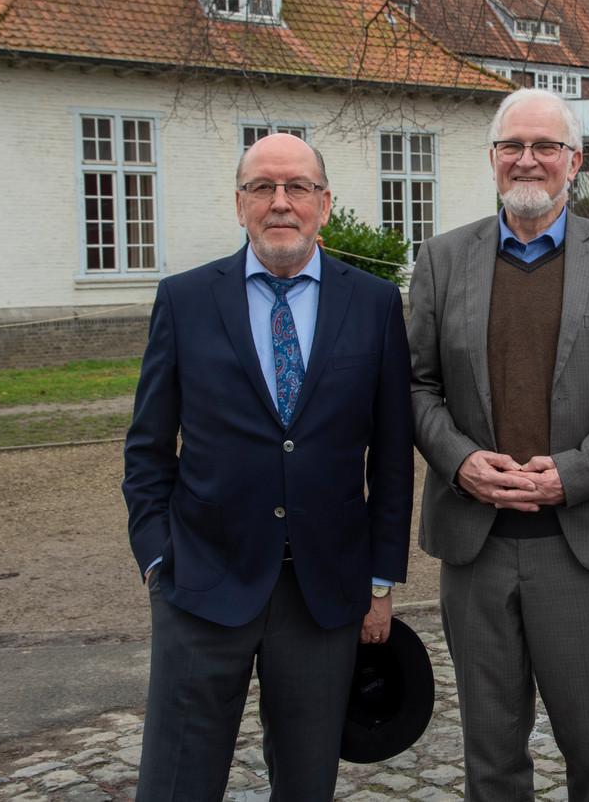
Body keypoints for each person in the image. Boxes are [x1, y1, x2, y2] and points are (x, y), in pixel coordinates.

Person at [122, 133, 414, 802]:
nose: (280, 203)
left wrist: (379, 579)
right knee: (176, 784)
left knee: (307, 784)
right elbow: (147, 450)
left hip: (325, 595)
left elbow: (393, 456)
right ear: (239, 204)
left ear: (325, 203)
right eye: (262, 188)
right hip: (201, 581)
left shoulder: (372, 305)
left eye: (297, 188)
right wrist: (156, 559)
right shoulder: (186, 300)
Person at [408, 88, 589, 801]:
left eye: (545, 147)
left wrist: (574, 473)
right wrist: (459, 460)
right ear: (493, 159)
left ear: (575, 161)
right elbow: (415, 387)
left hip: (583, 544)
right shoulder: (440, 262)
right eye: (512, 147)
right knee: (491, 761)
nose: (528, 160)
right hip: (477, 545)